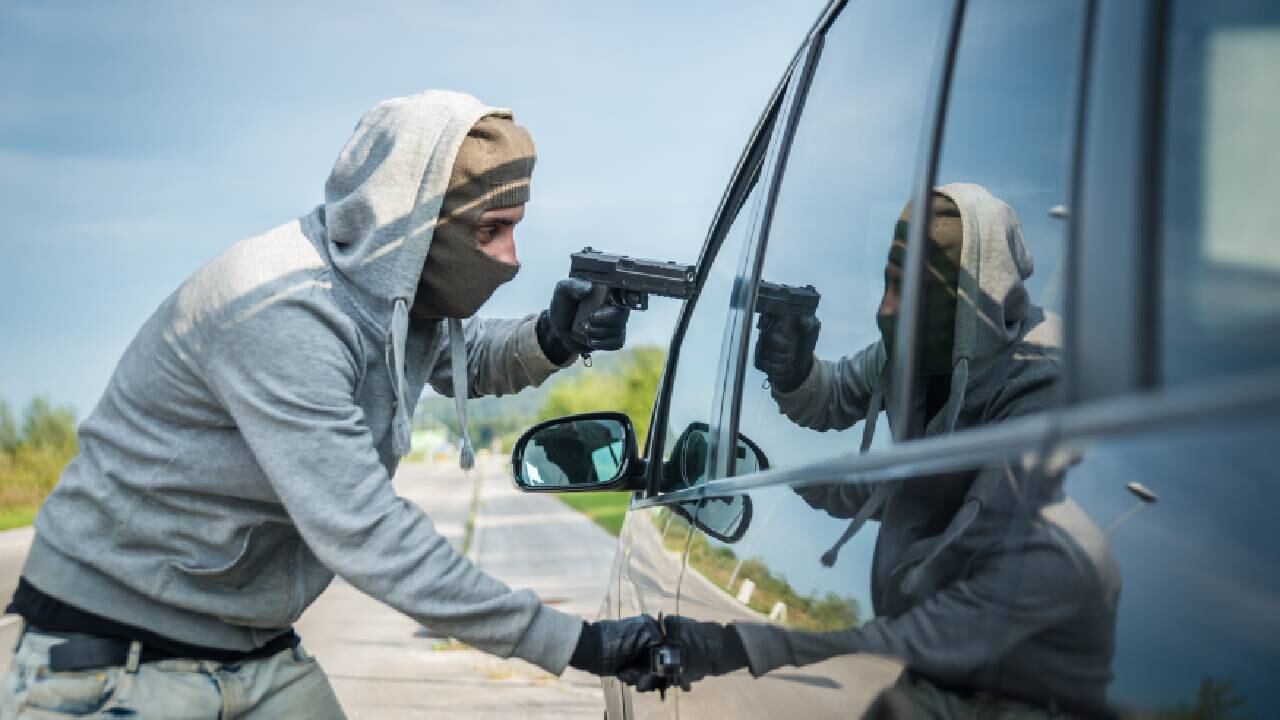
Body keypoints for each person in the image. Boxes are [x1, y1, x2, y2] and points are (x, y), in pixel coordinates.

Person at [0, 91, 661, 719]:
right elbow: (365, 532)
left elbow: (462, 358)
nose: (511, 259)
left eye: (516, 228)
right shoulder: (282, 310)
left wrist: (554, 336)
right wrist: (579, 643)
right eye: (491, 231)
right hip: (116, 657)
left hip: (247, 645)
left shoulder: (389, 290)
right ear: (416, 223)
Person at [640, 185, 1120, 718]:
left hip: (1018, 673)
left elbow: (972, 527)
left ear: (967, 301)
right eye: (886, 283)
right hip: (934, 647)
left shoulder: (1040, 384)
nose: (883, 310)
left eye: (904, 288)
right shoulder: (910, 348)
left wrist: (740, 646)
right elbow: (832, 398)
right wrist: (794, 370)